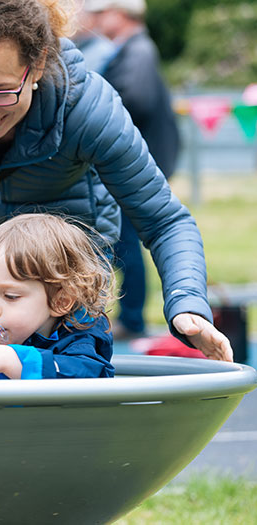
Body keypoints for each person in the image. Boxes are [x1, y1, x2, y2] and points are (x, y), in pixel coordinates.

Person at [0, 0, 232, 361]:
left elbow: (163, 219)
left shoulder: (88, 108)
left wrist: (188, 304)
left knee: (72, 376)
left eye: (0, 91)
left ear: (36, 66)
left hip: (67, 259)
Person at [84, 0, 180, 339]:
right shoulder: (129, 49)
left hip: (142, 161)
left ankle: (134, 318)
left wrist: (98, 106)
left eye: (102, 13)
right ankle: (131, 315)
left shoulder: (138, 49)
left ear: (121, 14)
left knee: (127, 241)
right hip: (141, 158)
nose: (95, 19)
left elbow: (136, 98)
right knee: (125, 240)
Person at [0, 213, 114, 379]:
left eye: (10, 296)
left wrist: (15, 361)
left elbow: (88, 375)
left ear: (61, 301)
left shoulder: (81, 337)